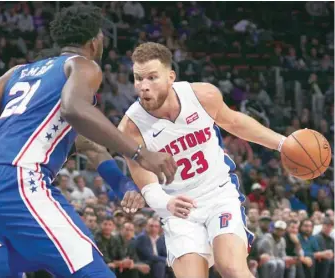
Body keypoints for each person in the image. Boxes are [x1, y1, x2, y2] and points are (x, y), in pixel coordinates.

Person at [0, 5, 177, 277]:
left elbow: (93, 147)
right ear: (94, 41)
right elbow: (73, 107)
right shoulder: (82, 65)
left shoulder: (17, 73)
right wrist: (140, 153)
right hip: (19, 180)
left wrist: (124, 187)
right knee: (93, 271)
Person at [118, 42, 288, 278]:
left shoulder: (202, 95)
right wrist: (166, 203)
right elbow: (147, 185)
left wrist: (282, 143)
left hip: (218, 194)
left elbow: (235, 122)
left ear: (170, 77)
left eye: (152, 78)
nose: (144, 86)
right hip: (178, 206)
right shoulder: (130, 127)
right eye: (138, 79)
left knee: (230, 267)